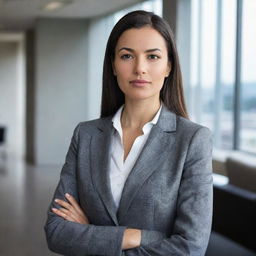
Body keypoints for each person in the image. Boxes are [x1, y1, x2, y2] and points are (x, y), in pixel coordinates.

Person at [44, 10, 213, 256]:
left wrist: (91, 232)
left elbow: (190, 247)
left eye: (153, 56)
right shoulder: (86, 135)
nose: (140, 68)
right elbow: (56, 231)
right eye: (126, 56)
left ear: (168, 67)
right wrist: (137, 236)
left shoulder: (192, 140)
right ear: (113, 65)